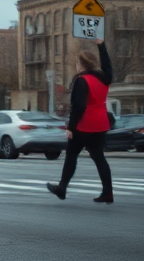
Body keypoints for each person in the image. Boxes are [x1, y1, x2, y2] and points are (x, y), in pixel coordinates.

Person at [47, 39, 114, 203]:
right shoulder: (104, 77)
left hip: (85, 124)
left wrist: (71, 126)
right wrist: (101, 45)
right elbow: (107, 65)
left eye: (77, 62)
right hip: (101, 122)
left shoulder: (81, 80)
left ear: (81, 64)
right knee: (99, 158)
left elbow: (78, 105)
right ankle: (108, 192)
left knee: (71, 155)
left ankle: (62, 188)